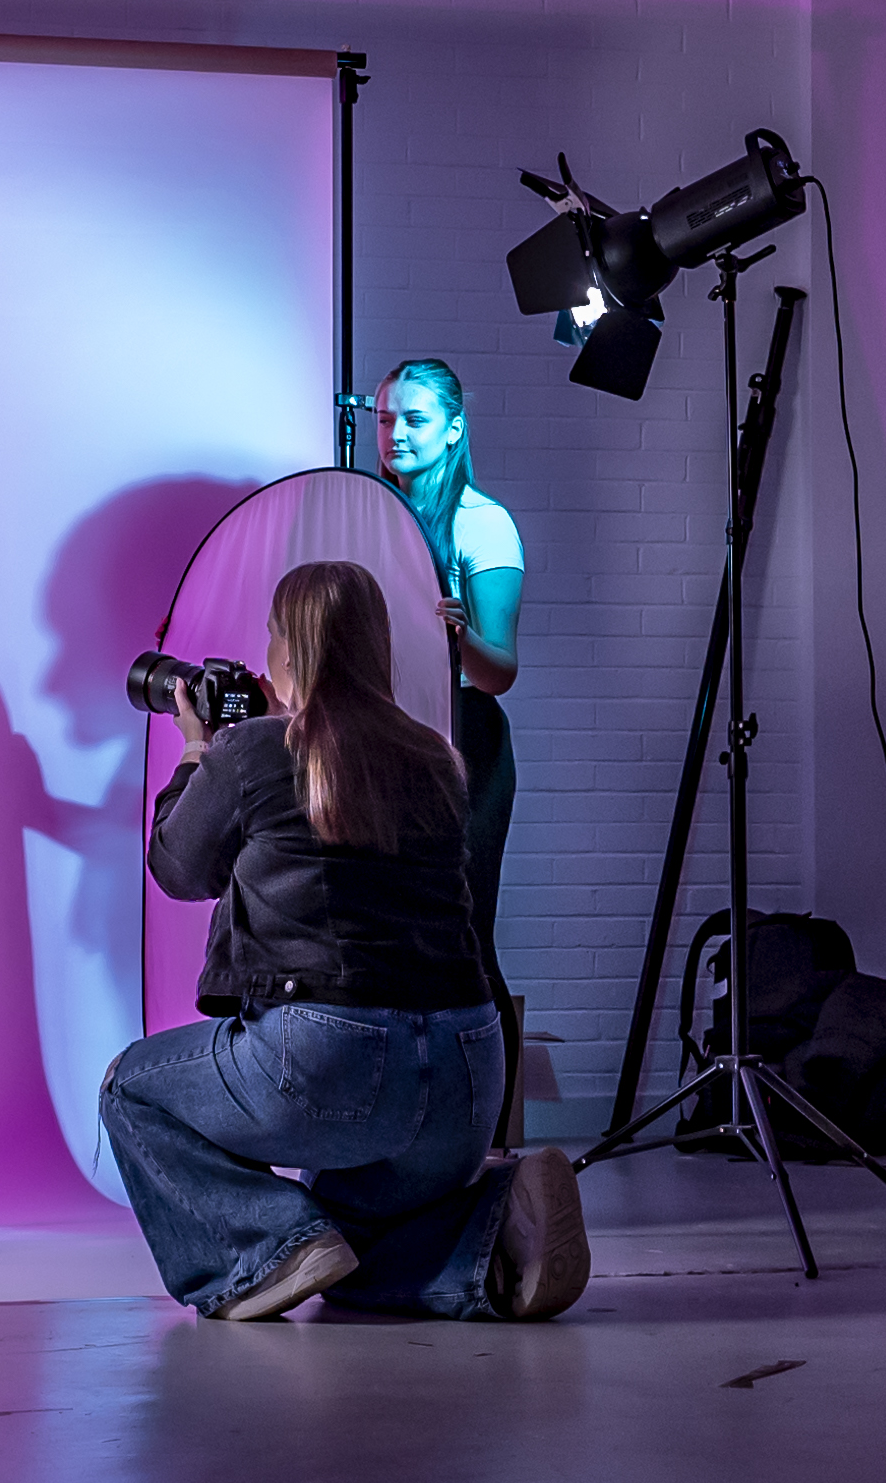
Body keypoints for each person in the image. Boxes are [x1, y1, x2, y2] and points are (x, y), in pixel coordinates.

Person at [104, 559, 586, 1324]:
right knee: (347, 1242)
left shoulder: (254, 752)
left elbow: (177, 867)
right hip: (472, 1073)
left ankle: (267, 1245)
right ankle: (487, 1241)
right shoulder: (437, 757)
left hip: (334, 1059)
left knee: (130, 1088)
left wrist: (199, 751)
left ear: (287, 651)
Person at [373, 355, 523, 967]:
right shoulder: (370, 513)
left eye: (414, 419)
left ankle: (486, 1063)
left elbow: (500, 672)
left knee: (463, 940)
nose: (396, 435)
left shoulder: (483, 524)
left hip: (465, 740)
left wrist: (457, 639)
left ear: (454, 429)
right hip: (388, 735)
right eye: (385, 421)